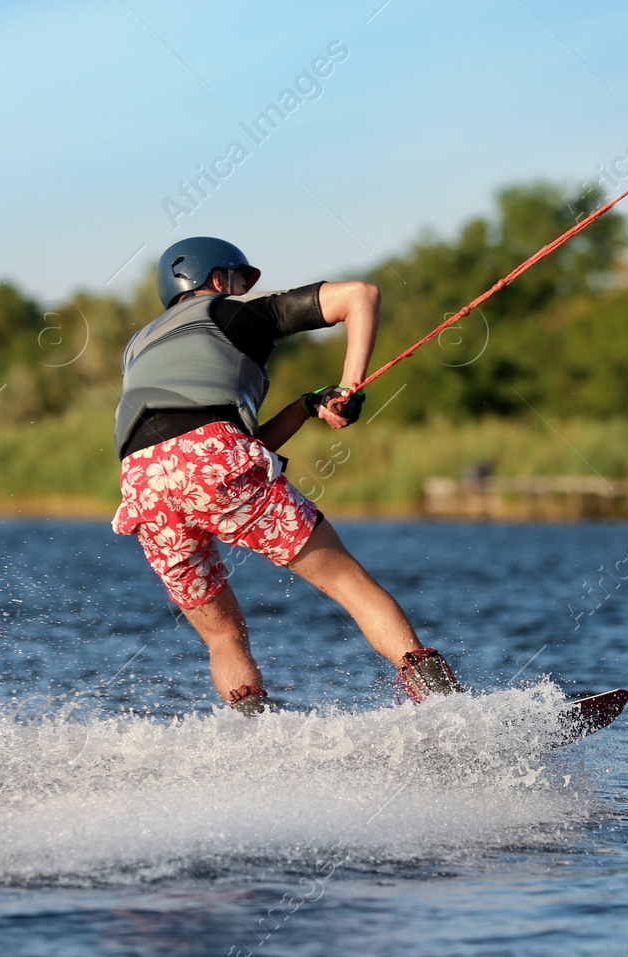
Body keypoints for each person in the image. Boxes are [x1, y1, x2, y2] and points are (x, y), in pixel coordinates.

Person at [112, 236, 461, 713]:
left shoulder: (137, 346)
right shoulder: (234, 315)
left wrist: (304, 407)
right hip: (214, 457)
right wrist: (349, 387)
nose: (241, 290)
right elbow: (360, 295)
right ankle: (448, 708)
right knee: (345, 580)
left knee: (222, 635)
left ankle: (256, 737)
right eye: (238, 280)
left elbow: (211, 446)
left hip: (142, 485)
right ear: (217, 279)